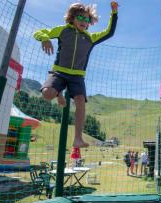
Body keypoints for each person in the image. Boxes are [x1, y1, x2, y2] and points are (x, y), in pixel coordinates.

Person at [34, 2, 118, 148]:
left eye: (87, 20)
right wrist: (45, 39)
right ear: (72, 18)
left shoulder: (90, 38)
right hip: (59, 72)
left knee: (80, 102)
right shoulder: (63, 30)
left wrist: (114, 13)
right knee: (47, 94)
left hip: (77, 76)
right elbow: (39, 32)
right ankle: (58, 92)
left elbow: (109, 32)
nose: (84, 22)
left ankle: (77, 138)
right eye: (80, 17)